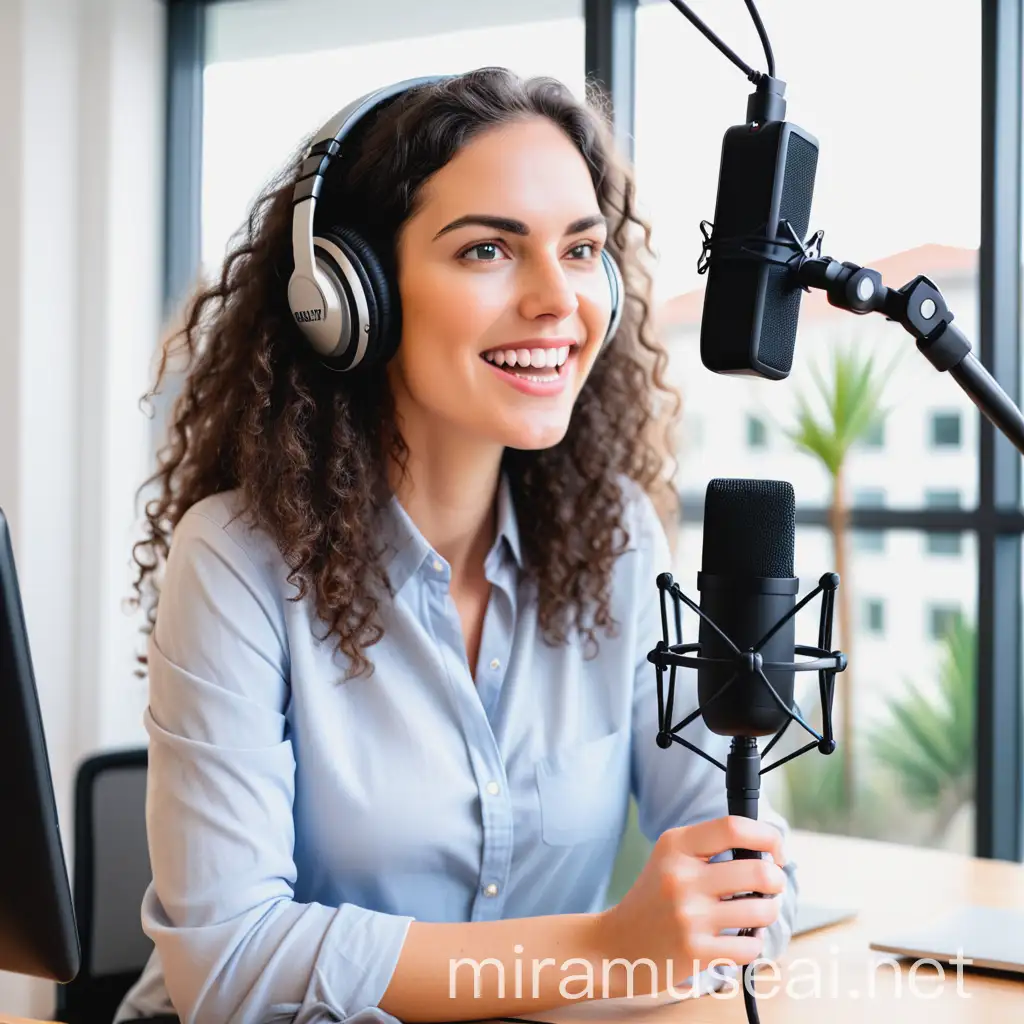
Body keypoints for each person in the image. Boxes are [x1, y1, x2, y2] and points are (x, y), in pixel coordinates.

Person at [115, 67, 797, 1024]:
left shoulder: (617, 543)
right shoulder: (235, 561)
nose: (558, 299)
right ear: (346, 298)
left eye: (581, 248)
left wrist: (730, 898)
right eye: (488, 250)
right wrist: (604, 949)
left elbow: (749, 871)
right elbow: (232, 967)